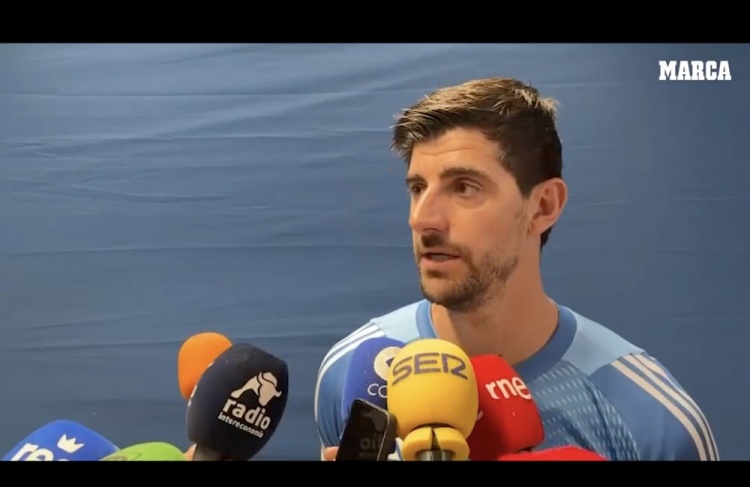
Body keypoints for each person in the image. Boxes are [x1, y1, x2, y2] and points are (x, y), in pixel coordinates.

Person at [315, 77, 719, 461]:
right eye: (417, 188)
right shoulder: (353, 374)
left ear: (543, 206)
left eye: (464, 187)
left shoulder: (650, 420)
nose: (422, 219)